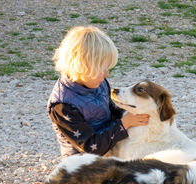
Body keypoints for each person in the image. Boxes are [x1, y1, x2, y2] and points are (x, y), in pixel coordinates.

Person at [47, 26, 149, 158]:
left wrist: (133, 113)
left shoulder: (98, 83)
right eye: (102, 69)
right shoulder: (62, 105)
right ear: (83, 67)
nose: (107, 74)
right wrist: (125, 124)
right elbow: (90, 147)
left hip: (109, 145)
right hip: (83, 163)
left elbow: (112, 110)